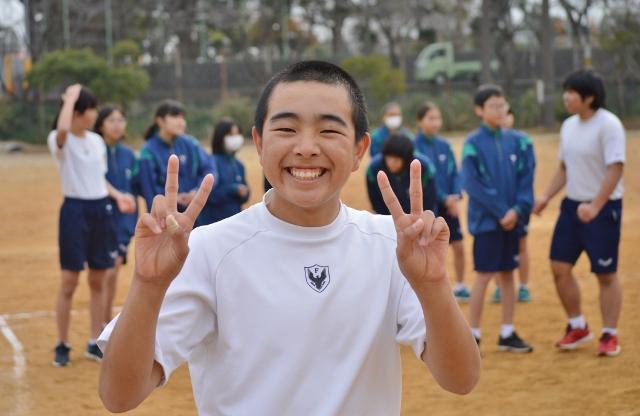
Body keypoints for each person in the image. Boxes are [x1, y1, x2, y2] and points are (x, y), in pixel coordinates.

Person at [97, 61, 480, 415]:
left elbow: (461, 379)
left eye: (329, 130)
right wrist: (148, 284)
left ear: (359, 149)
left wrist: (433, 285)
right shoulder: (207, 250)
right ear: (259, 142)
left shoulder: (393, 246)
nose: (307, 148)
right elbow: (119, 395)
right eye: (286, 129)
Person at [533, 69, 625, 357]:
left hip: (603, 208)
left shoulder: (609, 125)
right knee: (559, 268)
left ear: (590, 97)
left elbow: (615, 169)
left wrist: (595, 206)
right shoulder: (568, 126)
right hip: (572, 207)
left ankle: (609, 333)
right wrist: (546, 197)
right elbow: (564, 168)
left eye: (572, 93)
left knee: (605, 274)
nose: (566, 97)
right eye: (566, 91)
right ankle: (577, 326)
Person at [47, 84, 135, 367]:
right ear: (77, 112)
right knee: (69, 281)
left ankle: (94, 341)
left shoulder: (96, 141)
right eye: (91, 109)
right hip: (75, 211)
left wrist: (118, 195)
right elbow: (62, 130)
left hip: (101, 209)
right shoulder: (58, 139)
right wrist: (70, 98)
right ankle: (62, 343)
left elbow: (99, 179)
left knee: (99, 279)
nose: (95, 114)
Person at [462, 84, 534, 353]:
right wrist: (501, 211)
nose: (500, 110)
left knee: (507, 275)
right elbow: (473, 184)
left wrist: (517, 210)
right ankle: (473, 335)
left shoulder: (520, 141)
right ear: (479, 110)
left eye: (502, 104)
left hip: (513, 220)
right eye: (493, 106)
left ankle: (507, 332)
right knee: (483, 276)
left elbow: (526, 179)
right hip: (487, 223)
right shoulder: (472, 144)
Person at [414, 102, 469, 303]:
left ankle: (460, 286)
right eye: (431, 118)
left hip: (450, 205)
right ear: (419, 121)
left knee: (459, 245)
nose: (436, 122)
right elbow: (424, 180)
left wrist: (455, 196)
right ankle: (430, 290)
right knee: (429, 249)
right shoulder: (414, 146)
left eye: (438, 118)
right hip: (430, 206)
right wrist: (444, 198)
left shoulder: (444, 145)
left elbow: (455, 172)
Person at [94, 106, 139, 326]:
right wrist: (118, 196)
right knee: (107, 273)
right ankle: (101, 324)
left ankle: (104, 322)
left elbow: (138, 185)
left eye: (121, 120)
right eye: (111, 120)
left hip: (124, 222)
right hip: (101, 219)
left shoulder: (129, 154)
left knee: (113, 273)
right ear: (101, 125)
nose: (117, 125)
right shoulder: (95, 150)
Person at [138, 99, 217, 218]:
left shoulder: (191, 144)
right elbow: (149, 190)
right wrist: (172, 199)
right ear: (160, 121)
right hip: (166, 218)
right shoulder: (148, 151)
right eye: (175, 117)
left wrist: (196, 191)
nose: (181, 122)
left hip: (196, 214)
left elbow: (210, 169)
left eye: (182, 117)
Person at [491, 108, 536, 304]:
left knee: (522, 245)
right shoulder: (488, 143)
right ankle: (499, 287)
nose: (503, 116)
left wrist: (519, 206)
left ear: (513, 117)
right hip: (495, 207)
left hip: (519, 205)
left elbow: (528, 175)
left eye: (508, 113)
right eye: (499, 112)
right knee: (495, 247)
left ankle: (523, 286)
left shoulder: (523, 141)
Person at [366, 133, 436, 215]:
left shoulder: (424, 168)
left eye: (396, 160)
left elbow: (430, 200)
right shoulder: (374, 168)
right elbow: (375, 199)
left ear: (406, 159)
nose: (391, 163)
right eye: (388, 158)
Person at [198, 118, 250, 225]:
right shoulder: (211, 162)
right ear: (220, 137)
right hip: (213, 223)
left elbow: (246, 194)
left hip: (234, 223)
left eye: (237, 134)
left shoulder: (239, 165)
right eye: (230, 135)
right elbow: (209, 195)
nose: (235, 138)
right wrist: (234, 189)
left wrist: (245, 193)